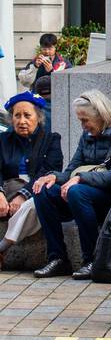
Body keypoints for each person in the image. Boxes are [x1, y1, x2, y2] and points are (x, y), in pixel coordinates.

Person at [32, 89, 111, 280]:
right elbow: (71, 170)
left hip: (109, 197)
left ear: (101, 116)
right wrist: (53, 177)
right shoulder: (87, 137)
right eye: (80, 120)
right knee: (44, 190)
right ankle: (57, 258)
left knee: (76, 192)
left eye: (85, 120)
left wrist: (80, 178)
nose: (82, 126)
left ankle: (91, 259)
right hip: (82, 193)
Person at [0, 92, 62, 269]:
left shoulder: (51, 140)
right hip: (6, 190)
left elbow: (48, 171)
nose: (21, 121)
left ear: (39, 117)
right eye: (16, 115)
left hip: (33, 192)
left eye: (27, 115)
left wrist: (22, 195)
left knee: (35, 204)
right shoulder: (3, 140)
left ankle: (2, 247)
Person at [17, 34, 70, 132]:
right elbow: (24, 81)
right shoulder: (35, 62)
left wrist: (51, 70)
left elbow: (67, 82)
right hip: (36, 101)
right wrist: (35, 67)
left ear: (55, 47)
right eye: (44, 49)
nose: (47, 52)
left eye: (50, 48)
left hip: (56, 101)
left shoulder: (63, 62)